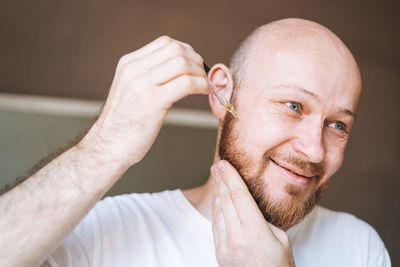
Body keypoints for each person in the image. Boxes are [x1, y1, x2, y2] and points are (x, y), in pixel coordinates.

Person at [0, 18, 391, 267]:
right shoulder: (107, 231)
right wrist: (104, 145)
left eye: (337, 125)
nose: (316, 150)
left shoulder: (358, 247)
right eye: (293, 105)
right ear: (223, 93)